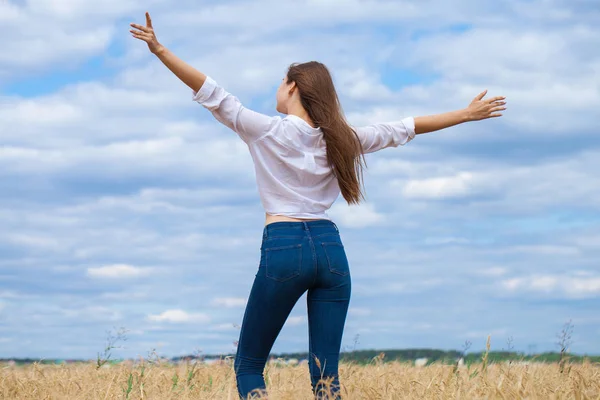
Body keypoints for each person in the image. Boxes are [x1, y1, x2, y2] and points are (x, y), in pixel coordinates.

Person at [130, 12, 506, 400]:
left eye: (281, 81)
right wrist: (466, 114)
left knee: (249, 366)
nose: (277, 88)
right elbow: (404, 127)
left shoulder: (266, 130)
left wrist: (159, 50)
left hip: (284, 246)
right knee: (327, 378)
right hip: (330, 251)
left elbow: (211, 91)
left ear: (293, 87)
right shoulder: (343, 139)